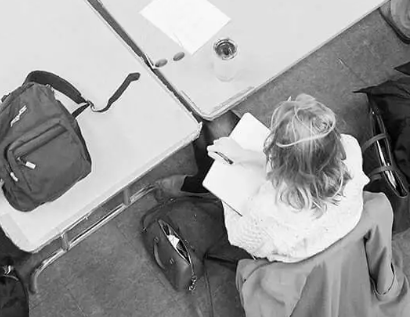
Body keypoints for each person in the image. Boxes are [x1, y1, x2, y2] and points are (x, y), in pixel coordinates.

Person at [157, 95, 366, 263]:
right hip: (328, 225)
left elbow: (238, 236)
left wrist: (222, 183)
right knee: (212, 116)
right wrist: (244, 156)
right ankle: (202, 175)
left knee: (212, 128)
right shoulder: (349, 149)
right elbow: (306, 166)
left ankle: (203, 185)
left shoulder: (268, 211)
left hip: (293, 251)